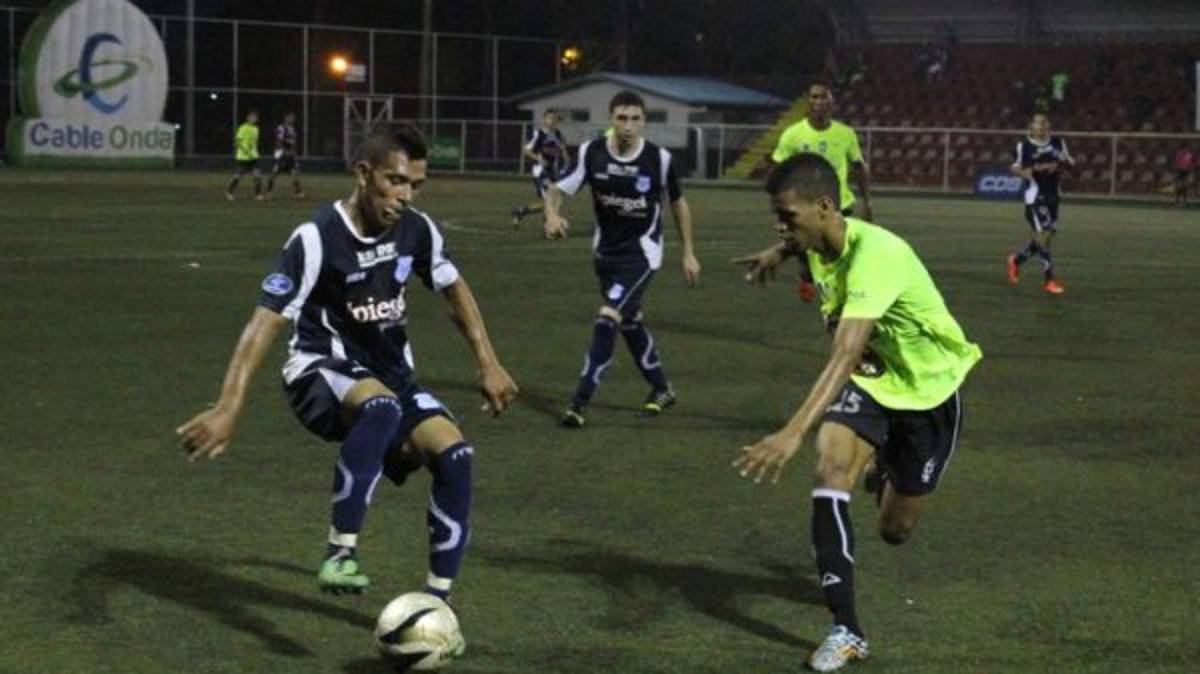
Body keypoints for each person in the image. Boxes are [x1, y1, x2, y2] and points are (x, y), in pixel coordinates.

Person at [178, 126, 519, 599]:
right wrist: (229, 405)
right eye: (395, 181)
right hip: (319, 371)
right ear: (363, 173)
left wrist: (488, 361)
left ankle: (436, 604)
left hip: (391, 378)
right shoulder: (317, 237)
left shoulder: (417, 230)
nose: (405, 195)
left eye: (416, 185)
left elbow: (452, 286)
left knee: (455, 455)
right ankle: (340, 553)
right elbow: (265, 322)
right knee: (381, 408)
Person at [732, 153, 981, 672]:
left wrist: (792, 431)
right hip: (872, 386)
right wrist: (778, 251)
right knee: (830, 469)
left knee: (895, 530)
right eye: (777, 217)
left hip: (929, 395)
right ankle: (846, 629)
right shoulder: (820, 241)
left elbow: (844, 354)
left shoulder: (875, 256)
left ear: (824, 207)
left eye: (788, 217)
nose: (781, 226)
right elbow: (803, 247)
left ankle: (887, 466)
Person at [543, 90, 701, 428]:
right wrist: (552, 216)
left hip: (642, 255)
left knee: (607, 319)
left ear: (644, 122)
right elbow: (556, 190)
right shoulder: (592, 153)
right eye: (621, 118)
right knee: (629, 321)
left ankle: (578, 403)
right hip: (605, 254)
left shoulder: (659, 159)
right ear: (611, 120)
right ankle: (662, 388)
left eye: (635, 119)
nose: (628, 125)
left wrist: (688, 252)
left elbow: (678, 204)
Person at [766, 80, 873, 302]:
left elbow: (859, 168)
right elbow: (778, 170)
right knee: (809, 258)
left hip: (838, 206)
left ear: (832, 102)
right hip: (805, 208)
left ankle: (834, 303)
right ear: (808, 102)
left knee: (837, 258)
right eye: (814, 97)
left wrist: (867, 201)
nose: (819, 101)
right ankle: (809, 279)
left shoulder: (845, 134)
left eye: (824, 97)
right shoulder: (793, 135)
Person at [1006, 113, 1074, 294]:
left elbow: (1069, 162)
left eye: (1045, 123)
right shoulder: (1024, 146)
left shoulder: (1058, 143)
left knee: (1047, 238)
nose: (1042, 126)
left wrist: (1059, 166)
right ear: (1032, 127)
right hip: (1035, 197)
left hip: (1053, 196)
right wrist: (1032, 172)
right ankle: (1049, 280)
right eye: (1038, 123)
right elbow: (1015, 167)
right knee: (1043, 235)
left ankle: (1016, 261)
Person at [510, 109, 567, 227]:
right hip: (540, 171)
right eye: (550, 118)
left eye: (555, 118)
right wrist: (538, 158)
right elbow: (526, 150)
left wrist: (565, 159)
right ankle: (550, 227)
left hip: (552, 172)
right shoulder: (538, 134)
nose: (553, 121)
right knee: (550, 201)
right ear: (544, 119)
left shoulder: (557, 134)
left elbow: (561, 149)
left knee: (550, 202)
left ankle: (520, 211)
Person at [266, 112, 306, 200]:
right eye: (290, 118)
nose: (292, 119)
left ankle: (298, 193)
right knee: (274, 173)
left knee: (295, 173)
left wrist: (293, 152)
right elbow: (278, 140)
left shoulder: (292, 129)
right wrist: (283, 150)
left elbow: (293, 142)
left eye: (293, 118)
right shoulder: (281, 128)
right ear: (286, 118)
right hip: (282, 154)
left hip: (290, 155)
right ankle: (269, 192)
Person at [225, 110, 263, 201]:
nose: (254, 119)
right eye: (252, 117)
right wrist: (245, 150)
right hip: (243, 157)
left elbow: (254, 143)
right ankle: (229, 191)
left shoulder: (256, 129)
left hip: (253, 157)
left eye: (255, 118)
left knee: (257, 175)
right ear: (248, 118)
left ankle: (258, 194)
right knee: (238, 175)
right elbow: (237, 142)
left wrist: (254, 153)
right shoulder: (243, 128)